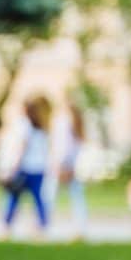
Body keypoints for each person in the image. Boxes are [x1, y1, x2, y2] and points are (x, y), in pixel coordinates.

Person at [1, 96, 51, 239]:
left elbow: (21, 148)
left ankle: (6, 226)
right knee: (38, 199)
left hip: (25, 168)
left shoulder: (24, 125)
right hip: (39, 168)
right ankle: (42, 226)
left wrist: (13, 167)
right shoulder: (40, 126)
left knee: (13, 198)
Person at [50, 99, 88, 241]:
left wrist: (59, 165)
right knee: (77, 198)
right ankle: (80, 228)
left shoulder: (64, 122)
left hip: (63, 164)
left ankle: (43, 224)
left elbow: (62, 146)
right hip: (74, 165)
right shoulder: (78, 124)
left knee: (49, 197)